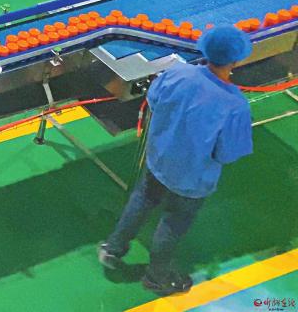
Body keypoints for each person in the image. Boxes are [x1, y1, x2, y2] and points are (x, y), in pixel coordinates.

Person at [98, 26, 254, 295]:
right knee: (173, 223)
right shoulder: (235, 105)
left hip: (159, 160)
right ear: (236, 61)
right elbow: (228, 153)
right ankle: (156, 277)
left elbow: (153, 100)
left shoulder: (177, 73)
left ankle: (112, 249)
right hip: (192, 178)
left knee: (142, 200)